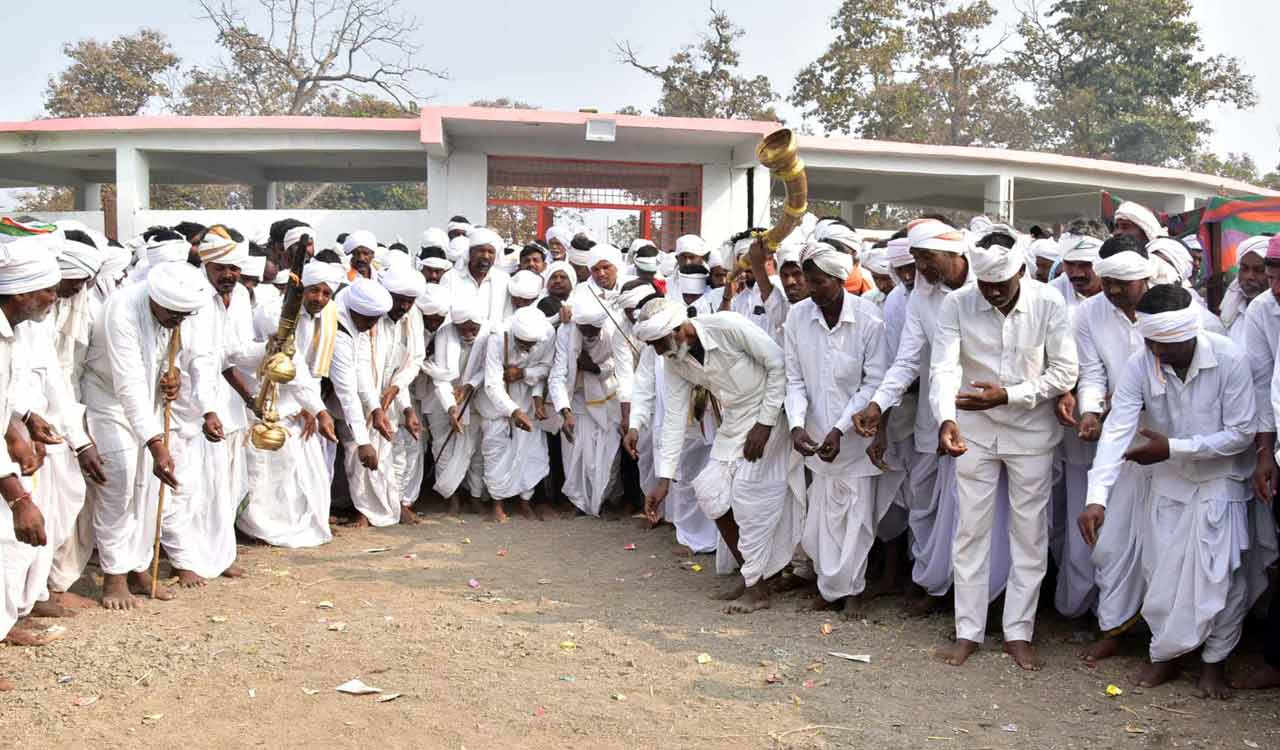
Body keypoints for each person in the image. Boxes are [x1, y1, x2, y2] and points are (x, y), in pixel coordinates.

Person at [1079, 284, 1256, 699]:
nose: (1157, 354)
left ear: (1188, 333)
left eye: (1166, 345)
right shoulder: (1142, 363)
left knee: (1221, 579)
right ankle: (1165, 657)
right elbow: (1118, 430)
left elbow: (1242, 434)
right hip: (1168, 487)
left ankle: (1214, 664)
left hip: (1219, 485)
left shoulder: (1229, 358)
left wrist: (1173, 448)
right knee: (1160, 576)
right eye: (1151, 343)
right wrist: (1096, 498)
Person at [931, 239, 1078, 671]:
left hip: (1031, 433)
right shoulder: (957, 303)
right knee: (970, 531)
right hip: (972, 430)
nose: (992, 291)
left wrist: (1010, 396)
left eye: (1001, 283)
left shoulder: (1048, 302)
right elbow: (943, 366)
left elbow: (1065, 370)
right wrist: (945, 418)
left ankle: (1019, 632)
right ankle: (968, 631)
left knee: (1029, 534)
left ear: (1021, 272)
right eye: (985, 283)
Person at [637, 297, 799, 615]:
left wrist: (765, 424)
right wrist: (664, 480)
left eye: (659, 342)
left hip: (771, 413)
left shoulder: (727, 326)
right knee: (710, 491)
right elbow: (673, 417)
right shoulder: (674, 360)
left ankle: (757, 587)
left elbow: (778, 365)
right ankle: (753, 575)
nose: (658, 351)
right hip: (735, 422)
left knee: (749, 496)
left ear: (681, 329)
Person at [853, 218, 981, 615]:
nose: (920, 270)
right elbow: (906, 360)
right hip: (932, 416)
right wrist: (878, 403)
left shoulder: (987, 289)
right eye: (916, 260)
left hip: (983, 418)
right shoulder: (921, 299)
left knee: (971, 512)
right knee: (925, 505)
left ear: (956, 253)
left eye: (928, 259)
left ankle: (973, 597)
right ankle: (932, 583)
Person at [81, 260, 211, 609]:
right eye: (174, 315)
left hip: (147, 402)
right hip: (108, 399)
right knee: (120, 481)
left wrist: (174, 376)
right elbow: (127, 383)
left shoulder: (170, 313)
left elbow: (167, 358)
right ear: (156, 299)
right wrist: (156, 444)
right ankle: (114, 578)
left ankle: (139, 569)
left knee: (148, 489)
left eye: (184, 317)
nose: (178, 322)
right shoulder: (122, 309)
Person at [785, 241, 887, 617]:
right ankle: (829, 589)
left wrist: (841, 429)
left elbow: (873, 381)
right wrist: (796, 426)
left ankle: (853, 590)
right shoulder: (797, 318)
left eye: (818, 282)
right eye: (807, 281)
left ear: (840, 279)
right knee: (819, 522)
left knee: (856, 519)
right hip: (814, 438)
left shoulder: (869, 319)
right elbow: (794, 379)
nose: (811, 289)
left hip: (856, 438)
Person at [0, 233, 68, 687]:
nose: (54, 297)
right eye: (47, 288)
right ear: (21, 291)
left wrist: (25, 419)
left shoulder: (14, 331)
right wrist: (18, 498)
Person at [237, 260, 340, 548]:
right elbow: (290, 363)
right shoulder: (275, 314)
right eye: (314, 291)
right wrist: (318, 409)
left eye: (326, 294)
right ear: (302, 290)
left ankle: (285, 524)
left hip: (295, 401)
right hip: (262, 399)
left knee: (292, 471)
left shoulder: (320, 319)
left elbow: (311, 368)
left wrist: (309, 406)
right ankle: (255, 527)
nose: (319, 299)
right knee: (263, 471)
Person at [549, 301, 632, 516]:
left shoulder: (613, 329)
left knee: (608, 452)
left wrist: (595, 368)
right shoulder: (566, 332)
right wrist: (565, 412)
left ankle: (602, 500)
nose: (588, 334)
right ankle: (579, 502)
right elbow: (557, 374)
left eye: (593, 330)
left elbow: (621, 366)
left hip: (608, 397)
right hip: (575, 399)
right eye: (583, 329)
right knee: (577, 453)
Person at [327, 278, 397, 526]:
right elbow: (346, 390)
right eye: (369, 320)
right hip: (316, 401)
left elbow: (362, 369)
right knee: (319, 463)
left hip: (338, 403)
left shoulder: (361, 322)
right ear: (355, 311)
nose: (372, 326)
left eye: (376, 320)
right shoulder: (338, 330)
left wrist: (376, 408)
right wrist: (364, 442)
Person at [479, 306, 556, 521]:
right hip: (497, 404)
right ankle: (497, 504)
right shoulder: (498, 336)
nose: (527, 349)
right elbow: (492, 383)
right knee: (495, 452)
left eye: (531, 345)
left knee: (531, 454)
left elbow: (546, 368)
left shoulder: (547, 333)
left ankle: (525, 502)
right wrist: (513, 411)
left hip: (528, 399)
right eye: (523, 344)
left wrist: (524, 373)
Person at [428, 300, 490, 515]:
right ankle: (450, 496)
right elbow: (440, 376)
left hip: (475, 397)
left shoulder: (488, 333)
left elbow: (488, 368)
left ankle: (474, 495)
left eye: (473, 329)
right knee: (441, 447)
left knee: (473, 450)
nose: (468, 333)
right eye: (462, 329)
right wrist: (451, 408)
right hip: (440, 399)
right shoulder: (445, 333)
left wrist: (470, 385)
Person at [377, 265, 427, 525]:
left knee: (401, 450)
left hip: (396, 395)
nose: (405, 306)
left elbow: (413, 361)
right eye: (401, 300)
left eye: (410, 301)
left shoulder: (411, 318)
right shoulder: (373, 316)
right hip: (368, 394)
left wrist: (405, 406)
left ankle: (397, 504)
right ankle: (369, 509)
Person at [445, 228, 510, 322]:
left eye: (491, 252)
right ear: (470, 252)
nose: (486, 256)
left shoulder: (503, 280)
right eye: (481, 251)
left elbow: (507, 316)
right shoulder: (450, 278)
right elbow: (445, 316)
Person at [1220, 235, 1269, 346]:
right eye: (1244, 268)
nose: (1249, 276)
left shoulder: (1274, 315)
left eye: (1259, 270)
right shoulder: (1234, 309)